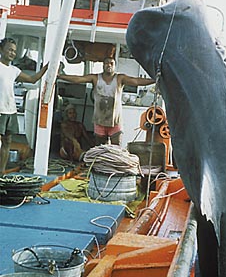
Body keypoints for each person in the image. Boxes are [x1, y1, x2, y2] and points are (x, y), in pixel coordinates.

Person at [58, 57, 155, 145]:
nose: (109, 65)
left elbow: (137, 81)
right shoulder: (95, 78)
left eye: (111, 63)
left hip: (115, 121)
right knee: (100, 150)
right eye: (106, 63)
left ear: (114, 66)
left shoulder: (120, 78)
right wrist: (60, 76)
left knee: (115, 150)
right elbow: (78, 79)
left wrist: (155, 80)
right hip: (99, 121)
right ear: (103, 65)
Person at [0, 37, 48, 174]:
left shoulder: (14, 70)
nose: (12, 53)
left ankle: (1, 172)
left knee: (7, 141)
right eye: (9, 49)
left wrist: (47, 67)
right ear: (1, 50)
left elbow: (33, 79)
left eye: (14, 51)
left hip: (10, 110)